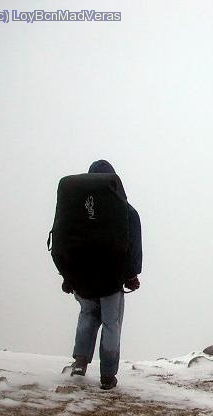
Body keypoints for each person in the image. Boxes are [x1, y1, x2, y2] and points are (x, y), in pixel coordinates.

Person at [62, 160, 142, 390]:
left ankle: (80, 363)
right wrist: (132, 274)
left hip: (82, 276)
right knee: (111, 323)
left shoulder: (76, 208)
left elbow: (65, 240)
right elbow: (134, 245)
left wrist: (67, 275)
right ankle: (107, 374)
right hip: (111, 278)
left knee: (87, 315)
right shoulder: (126, 210)